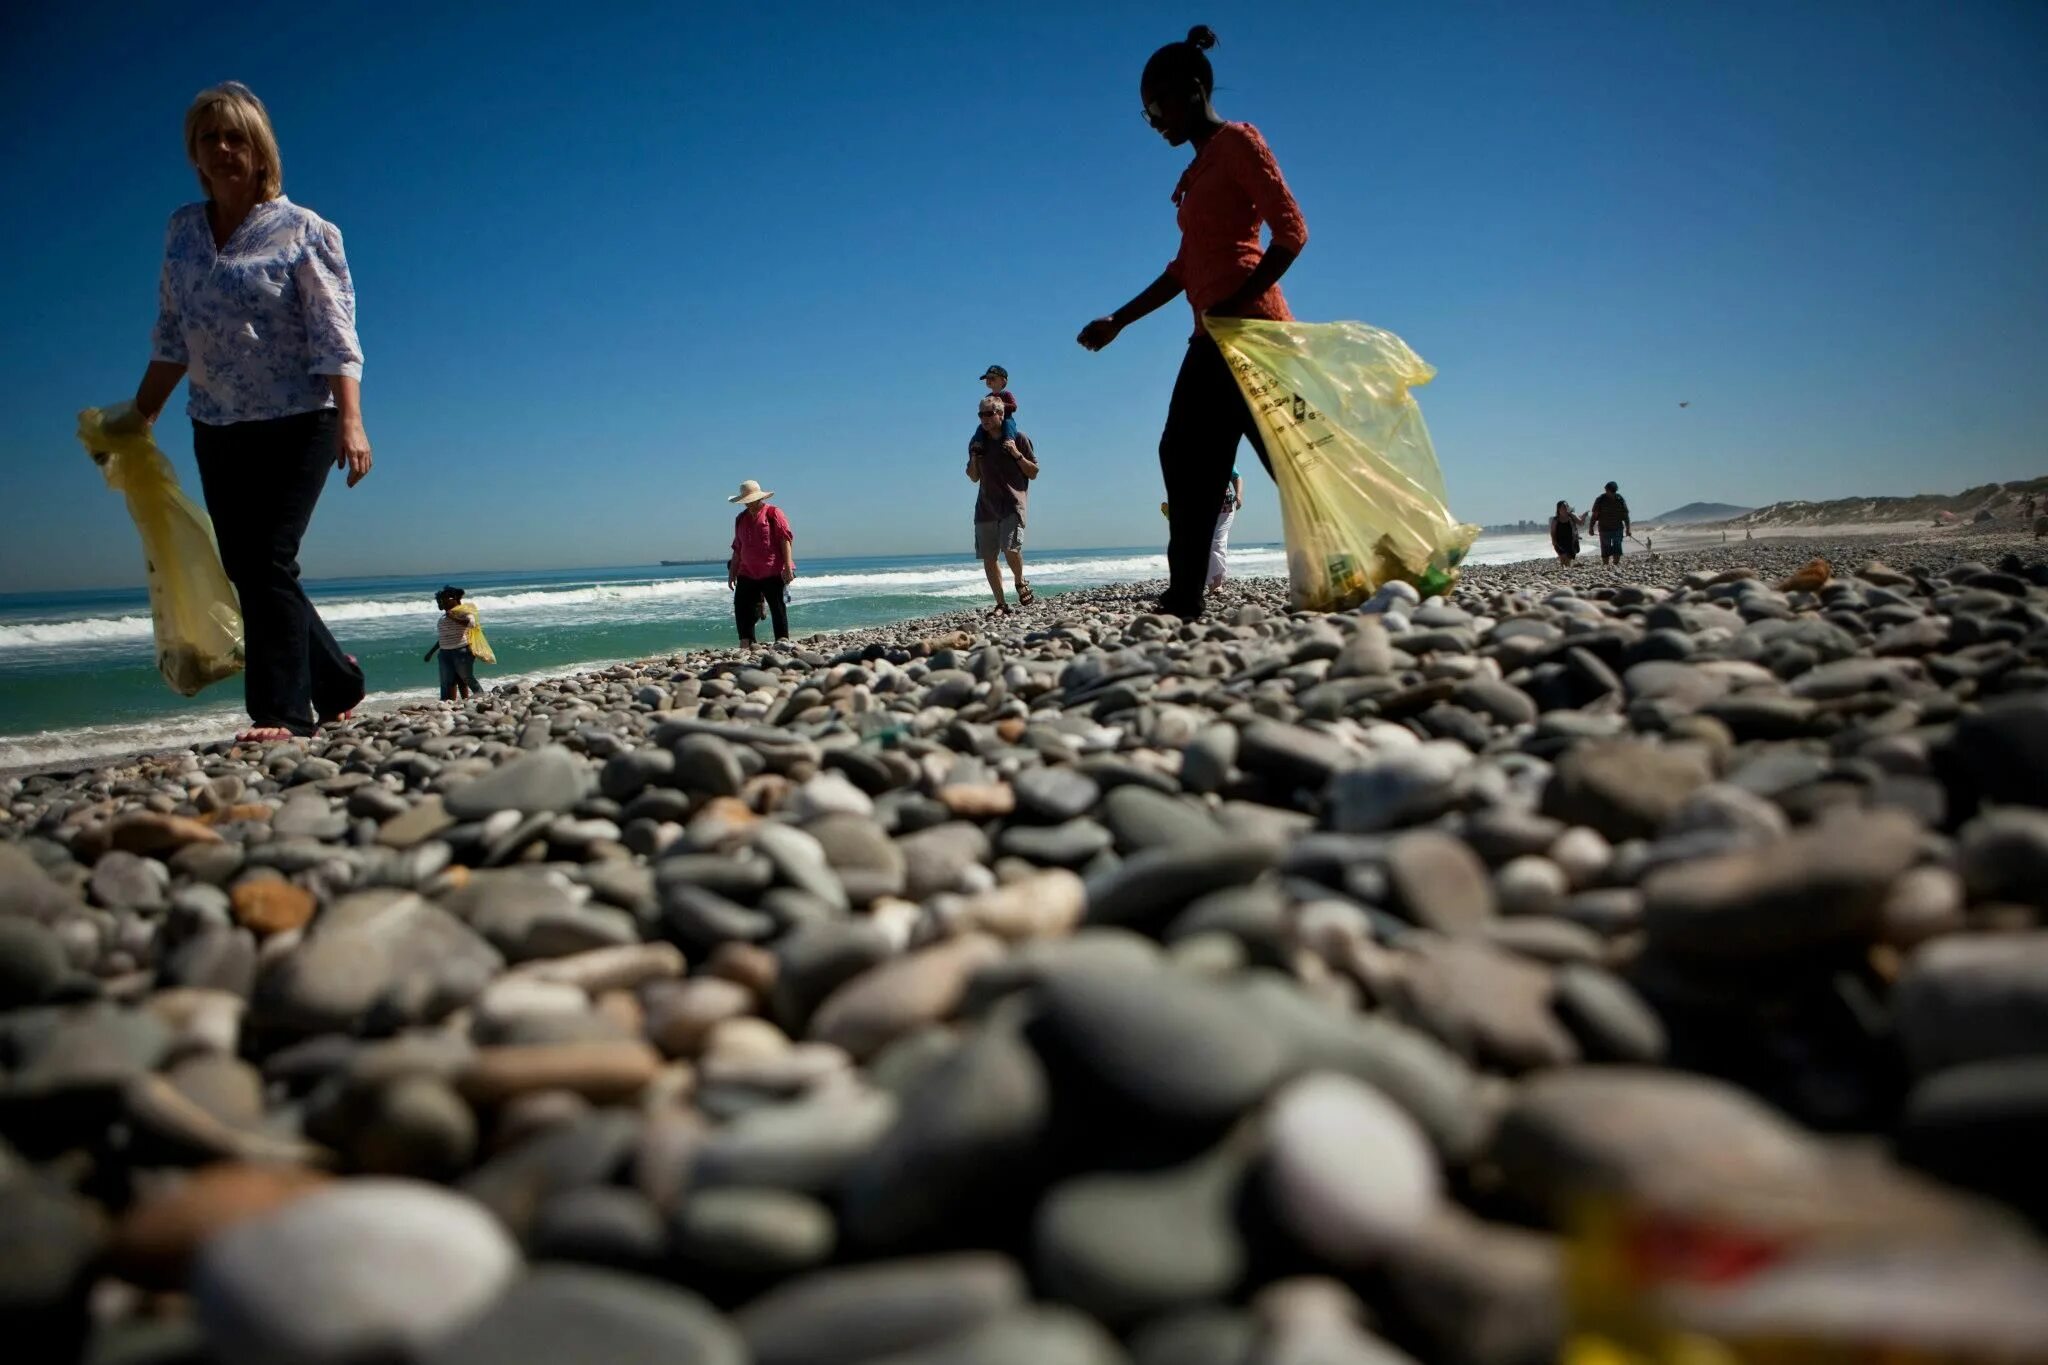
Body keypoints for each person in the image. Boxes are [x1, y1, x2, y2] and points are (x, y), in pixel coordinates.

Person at [129, 82, 369, 744]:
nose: (224, 148)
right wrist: (141, 415)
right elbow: (173, 335)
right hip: (217, 424)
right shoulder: (182, 232)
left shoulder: (304, 230)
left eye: (237, 137)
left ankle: (281, 714)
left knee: (266, 556)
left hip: (302, 418)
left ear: (262, 152)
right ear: (195, 155)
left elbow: (334, 335)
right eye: (211, 138)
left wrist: (351, 420)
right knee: (253, 567)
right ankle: (338, 682)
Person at [1077, 24, 1308, 620]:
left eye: (1157, 105)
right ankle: (1185, 595)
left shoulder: (1237, 143)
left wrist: (1239, 302)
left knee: (1292, 463)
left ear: (1195, 89)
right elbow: (1184, 268)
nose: (1153, 120)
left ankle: (1366, 555)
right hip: (1214, 336)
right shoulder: (1201, 168)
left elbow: (1291, 231)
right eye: (1145, 111)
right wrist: (1119, 320)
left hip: (1255, 335)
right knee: (1187, 455)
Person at [968, 394, 1039, 611]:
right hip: (985, 509)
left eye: (988, 414)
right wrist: (974, 458)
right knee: (989, 558)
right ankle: (1001, 604)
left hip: (1012, 505)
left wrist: (1016, 453)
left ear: (1000, 414)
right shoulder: (977, 442)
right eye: (981, 414)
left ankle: (1019, 581)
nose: (984, 419)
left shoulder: (1019, 437)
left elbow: (1034, 472)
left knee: (1011, 550)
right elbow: (973, 477)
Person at [727, 480, 795, 645]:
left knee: (777, 607)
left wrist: (787, 566)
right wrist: (732, 572)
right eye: (746, 502)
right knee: (741, 606)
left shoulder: (773, 513)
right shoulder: (740, 519)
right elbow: (737, 548)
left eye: (751, 500)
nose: (748, 504)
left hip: (772, 570)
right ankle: (747, 641)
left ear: (759, 498)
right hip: (747, 571)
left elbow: (785, 540)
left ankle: (782, 640)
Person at [425, 586, 478, 701]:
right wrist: (431, 652)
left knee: (466, 678)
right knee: (446, 681)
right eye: (440, 600)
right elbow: (444, 638)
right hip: (444, 652)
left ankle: (481, 696)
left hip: (461, 651)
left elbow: (471, 623)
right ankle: (446, 704)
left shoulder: (463, 611)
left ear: (453, 598)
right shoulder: (444, 616)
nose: (441, 602)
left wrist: (453, 617)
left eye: (444, 599)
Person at [1208, 468, 1244, 592]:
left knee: (1216, 542)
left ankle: (1217, 583)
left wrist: (1238, 494)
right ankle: (1211, 582)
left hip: (1225, 508)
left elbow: (1236, 477)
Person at [1590, 481, 1631, 565]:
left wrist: (1628, 529)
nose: (1610, 493)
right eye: (1608, 491)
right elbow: (1594, 515)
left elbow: (1625, 515)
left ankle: (1615, 565)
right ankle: (1606, 567)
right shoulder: (1600, 500)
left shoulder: (1620, 499)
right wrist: (1591, 528)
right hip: (1604, 529)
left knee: (1617, 548)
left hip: (1617, 528)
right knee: (1605, 548)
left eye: (1612, 491)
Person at [979, 365, 1020, 442]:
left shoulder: (1006, 394)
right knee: (981, 427)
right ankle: (978, 444)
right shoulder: (988, 397)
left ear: (1003, 380)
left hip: (1006, 418)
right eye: (987, 378)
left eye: (992, 378)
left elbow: (1014, 407)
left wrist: (1001, 405)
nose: (988, 380)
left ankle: (1009, 441)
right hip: (991, 420)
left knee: (1008, 424)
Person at [1549, 500, 1582, 565]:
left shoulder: (1571, 516)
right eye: (1564, 507)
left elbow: (1580, 523)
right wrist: (1553, 540)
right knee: (1563, 557)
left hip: (1571, 542)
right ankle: (1565, 571)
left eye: (1567, 506)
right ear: (1559, 509)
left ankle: (1565, 571)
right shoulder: (1556, 519)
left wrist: (1584, 515)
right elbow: (1552, 531)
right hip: (1559, 542)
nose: (1566, 508)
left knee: (1568, 558)